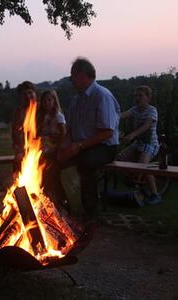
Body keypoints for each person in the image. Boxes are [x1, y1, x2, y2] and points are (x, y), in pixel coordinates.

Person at [57, 57, 120, 222]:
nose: (70, 79)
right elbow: (70, 131)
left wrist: (79, 146)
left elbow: (107, 132)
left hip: (104, 147)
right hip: (80, 146)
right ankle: (61, 208)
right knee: (48, 162)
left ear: (83, 75)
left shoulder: (102, 96)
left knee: (85, 162)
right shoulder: (76, 100)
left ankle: (91, 213)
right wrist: (61, 149)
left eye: (73, 75)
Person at [118, 85, 160, 205]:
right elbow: (123, 115)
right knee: (120, 158)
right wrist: (112, 116)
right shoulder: (135, 109)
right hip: (138, 143)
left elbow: (146, 125)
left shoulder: (152, 110)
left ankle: (155, 194)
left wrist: (132, 135)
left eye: (140, 95)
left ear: (148, 98)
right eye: (135, 96)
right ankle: (134, 179)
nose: (137, 98)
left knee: (143, 166)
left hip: (150, 144)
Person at [36, 89, 69, 210]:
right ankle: (44, 196)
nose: (46, 103)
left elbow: (63, 134)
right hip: (42, 147)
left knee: (50, 172)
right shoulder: (41, 117)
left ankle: (60, 201)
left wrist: (59, 147)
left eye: (49, 100)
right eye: (44, 100)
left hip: (54, 148)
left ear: (54, 101)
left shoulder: (58, 116)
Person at [11, 81, 38, 172]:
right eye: (24, 94)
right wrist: (20, 147)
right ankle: (19, 183)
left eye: (30, 93)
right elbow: (15, 132)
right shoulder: (19, 111)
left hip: (40, 145)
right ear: (20, 97)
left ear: (35, 93)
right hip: (24, 146)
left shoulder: (42, 109)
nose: (28, 96)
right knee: (19, 160)